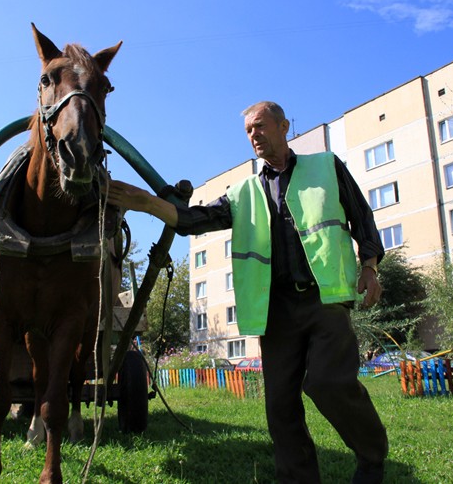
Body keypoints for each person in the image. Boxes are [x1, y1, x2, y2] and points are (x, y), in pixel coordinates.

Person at [107, 101, 388, 483]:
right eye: (248, 131)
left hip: (325, 300)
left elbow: (361, 216)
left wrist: (370, 267)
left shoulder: (326, 167)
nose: (254, 135)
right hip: (276, 310)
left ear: (284, 126)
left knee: (327, 382)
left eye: (260, 126)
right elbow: (194, 221)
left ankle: (371, 458)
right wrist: (146, 203)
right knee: (280, 406)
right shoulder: (243, 193)